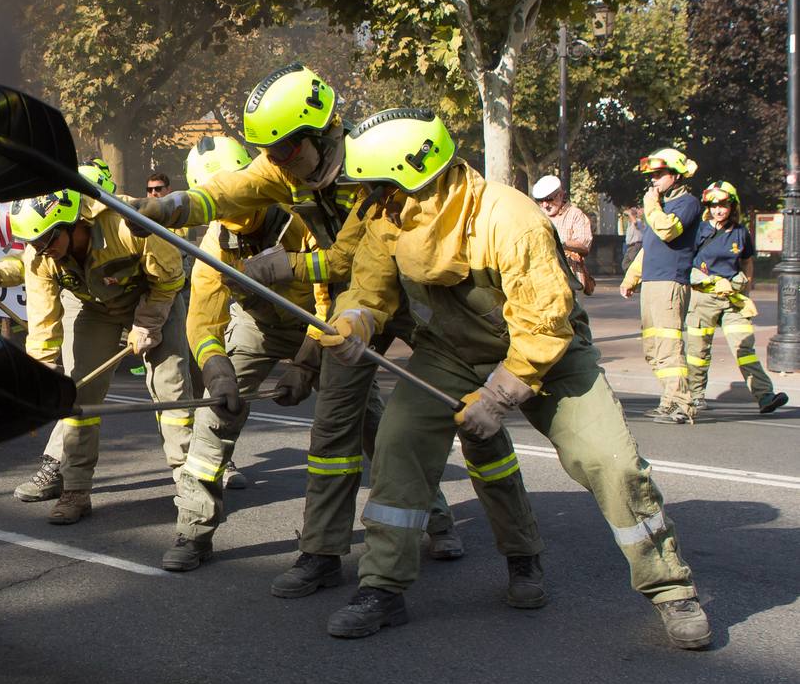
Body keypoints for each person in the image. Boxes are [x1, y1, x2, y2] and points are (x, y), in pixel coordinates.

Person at [129, 65, 541, 600]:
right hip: (357, 305)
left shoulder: (374, 162)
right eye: (268, 152)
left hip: (429, 303)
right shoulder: (277, 179)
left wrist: (301, 353)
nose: (276, 163)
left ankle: (520, 554)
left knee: (475, 424)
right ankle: (321, 554)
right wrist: (168, 208)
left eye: (284, 149)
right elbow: (227, 198)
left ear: (323, 133)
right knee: (332, 433)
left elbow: (343, 265)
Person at [317, 108, 708, 650]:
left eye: (379, 187)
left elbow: (544, 323)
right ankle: (382, 588)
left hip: (549, 353)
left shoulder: (509, 218)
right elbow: (368, 291)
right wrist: (355, 319)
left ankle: (670, 589)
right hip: (449, 350)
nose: (370, 200)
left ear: (413, 177)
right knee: (399, 443)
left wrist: (498, 396)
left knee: (609, 461)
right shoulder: (389, 220)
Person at [0, 188, 190, 525]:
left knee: (171, 390)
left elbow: (170, 278)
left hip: (153, 298)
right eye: (33, 242)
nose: (40, 250)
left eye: (47, 240)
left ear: (74, 223)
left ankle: (189, 483)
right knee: (79, 397)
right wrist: (41, 378)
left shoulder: (126, 224)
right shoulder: (40, 256)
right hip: (96, 308)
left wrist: (147, 323)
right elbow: (44, 324)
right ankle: (76, 489)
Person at [159, 135, 317, 570]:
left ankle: (433, 520)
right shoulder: (212, 246)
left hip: (320, 322)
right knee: (213, 420)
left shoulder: (301, 220)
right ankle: (193, 533)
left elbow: (336, 299)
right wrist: (218, 372)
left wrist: (306, 363)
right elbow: (204, 322)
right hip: (257, 326)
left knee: (367, 421)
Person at [682, 181, 788, 418]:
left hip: (732, 299)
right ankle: (695, 397)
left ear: (732, 205)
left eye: (724, 205)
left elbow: (747, 261)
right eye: (714, 205)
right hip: (704, 297)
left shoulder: (740, 232)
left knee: (744, 347)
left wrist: (746, 290)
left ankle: (765, 396)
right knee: (698, 351)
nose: (719, 209)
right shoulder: (699, 230)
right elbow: (686, 261)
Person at [618, 149, 703, 421]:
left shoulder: (686, 203)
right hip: (652, 282)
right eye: (652, 175)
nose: (653, 180)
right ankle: (669, 400)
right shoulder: (662, 205)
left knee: (668, 346)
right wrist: (632, 277)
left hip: (670, 282)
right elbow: (649, 248)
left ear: (676, 175)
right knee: (654, 348)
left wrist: (650, 205)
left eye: (659, 175)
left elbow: (667, 230)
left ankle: (681, 404)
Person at [532, 174, 594, 294]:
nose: (545, 205)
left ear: (560, 195)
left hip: (570, 278)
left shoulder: (575, 215)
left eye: (549, 199)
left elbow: (584, 245)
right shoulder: (536, 215)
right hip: (542, 277)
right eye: (541, 201)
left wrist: (560, 243)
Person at [622, 207, 646, 272]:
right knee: (625, 264)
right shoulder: (630, 223)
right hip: (630, 246)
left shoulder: (638, 221)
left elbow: (635, 223)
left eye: (629, 216)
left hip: (635, 245)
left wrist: (630, 213)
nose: (627, 218)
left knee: (634, 263)